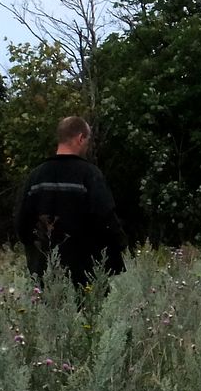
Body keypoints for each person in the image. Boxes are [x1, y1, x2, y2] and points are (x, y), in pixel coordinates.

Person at [15, 116, 128, 288]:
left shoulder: (36, 177)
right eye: (87, 140)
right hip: (85, 276)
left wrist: (37, 258)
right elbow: (106, 220)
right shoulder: (89, 175)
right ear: (80, 138)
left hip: (45, 275)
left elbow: (22, 225)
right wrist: (120, 246)